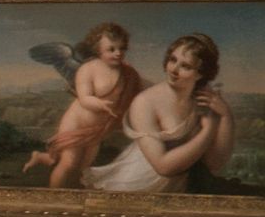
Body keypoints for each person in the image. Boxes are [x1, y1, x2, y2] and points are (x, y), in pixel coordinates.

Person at [90, 33, 238, 195]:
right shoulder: (146, 102)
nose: (174, 70)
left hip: (183, 185)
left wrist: (225, 116)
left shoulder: (205, 99)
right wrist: (208, 130)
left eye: (186, 66)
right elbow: (163, 167)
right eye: (173, 60)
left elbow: (214, 163)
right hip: (143, 185)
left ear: (200, 74)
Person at [24, 21, 142, 188]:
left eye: (122, 48)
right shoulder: (88, 69)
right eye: (111, 49)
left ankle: (47, 165)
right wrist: (100, 104)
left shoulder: (128, 73)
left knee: (83, 166)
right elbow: (85, 98)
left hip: (96, 129)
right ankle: (53, 198)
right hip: (76, 124)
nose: (118, 53)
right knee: (69, 164)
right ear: (98, 49)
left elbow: (135, 95)